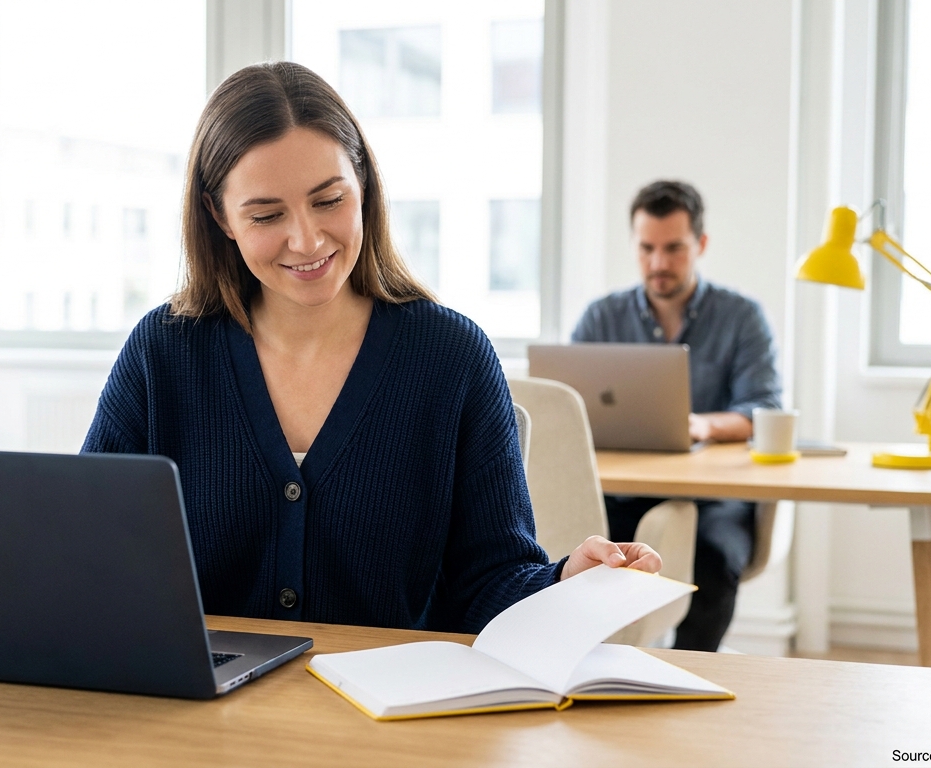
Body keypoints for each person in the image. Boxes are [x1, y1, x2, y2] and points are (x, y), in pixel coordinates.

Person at [81, 61, 659, 634]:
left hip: (392, 715)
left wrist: (563, 585)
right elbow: (87, 554)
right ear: (219, 216)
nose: (306, 239)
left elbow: (491, 581)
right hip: (203, 716)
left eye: (329, 200)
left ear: (364, 188)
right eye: (266, 214)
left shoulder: (452, 358)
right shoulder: (163, 352)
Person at [572, 180, 782, 651]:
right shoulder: (601, 318)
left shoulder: (742, 317)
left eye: (674, 249)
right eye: (646, 248)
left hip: (714, 496)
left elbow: (763, 408)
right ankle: (600, 661)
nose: (659, 263)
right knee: (578, 547)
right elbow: (572, 406)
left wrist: (702, 425)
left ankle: (691, 668)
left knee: (715, 556)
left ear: (700, 245)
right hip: (621, 490)